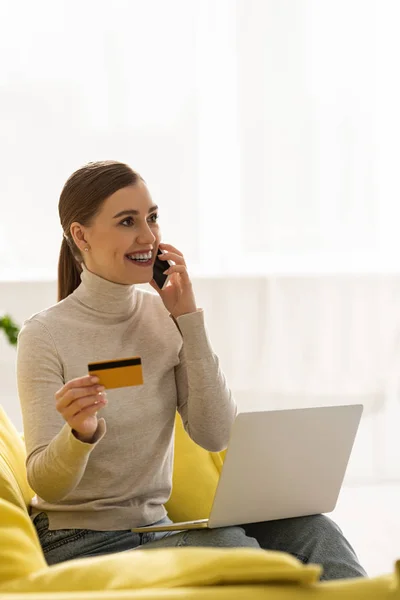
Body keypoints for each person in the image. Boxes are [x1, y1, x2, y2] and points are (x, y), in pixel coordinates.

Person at [17, 160, 367, 580]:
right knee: (235, 550)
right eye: (128, 221)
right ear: (81, 235)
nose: (148, 237)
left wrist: (188, 320)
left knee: (316, 532)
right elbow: (45, 482)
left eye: (152, 218)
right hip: (81, 542)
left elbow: (214, 433)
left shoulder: (164, 317)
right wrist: (79, 436)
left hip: (156, 531)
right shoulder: (44, 335)